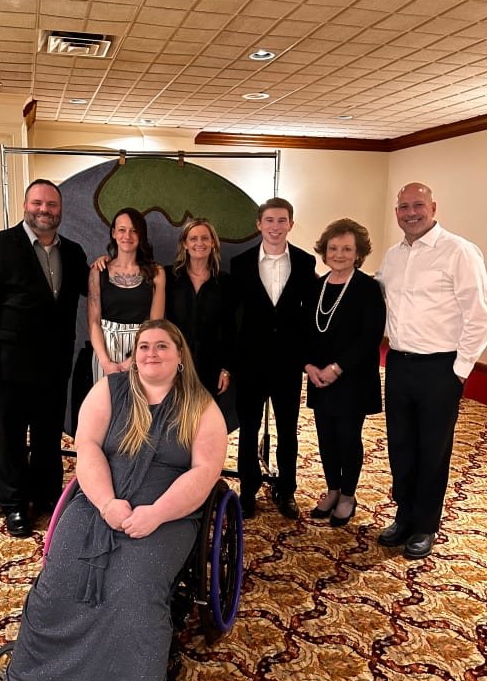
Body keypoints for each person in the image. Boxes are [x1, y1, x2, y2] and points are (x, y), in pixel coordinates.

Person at [0, 320, 227, 681]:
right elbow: (86, 447)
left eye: (162, 346)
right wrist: (107, 503)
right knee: (59, 580)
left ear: (180, 356)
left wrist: (156, 513)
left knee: (134, 593)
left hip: (167, 512)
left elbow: (205, 471)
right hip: (99, 500)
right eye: (144, 345)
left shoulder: (201, 405)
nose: (151, 353)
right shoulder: (110, 389)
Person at [0, 179, 89, 538]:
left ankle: (46, 496)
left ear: (60, 209)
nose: (44, 210)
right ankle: (15, 505)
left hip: (54, 364)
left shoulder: (73, 252)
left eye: (51, 204)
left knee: (48, 435)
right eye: (38, 203)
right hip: (6, 365)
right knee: (9, 438)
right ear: (25, 206)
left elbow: (91, 289)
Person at [376, 182, 487, 558]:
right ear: (396, 212)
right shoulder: (393, 256)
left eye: (418, 205)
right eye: (404, 207)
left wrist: (459, 370)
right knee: (400, 446)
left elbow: (479, 317)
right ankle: (404, 516)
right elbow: (375, 296)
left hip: (440, 369)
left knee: (433, 450)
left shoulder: (459, 251)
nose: (411, 213)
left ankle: (425, 525)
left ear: (433, 208)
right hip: (398, 364)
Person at [231, 197, 316, 521]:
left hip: (287, 364)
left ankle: (286, 489)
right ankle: (248, 490)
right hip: (250, 362)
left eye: (282, 220)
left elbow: (309, 317)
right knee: (248, 429)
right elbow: (233, 317)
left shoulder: (306, 263)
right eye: (269, 220)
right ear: (259, 224)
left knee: (288, 431)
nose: (275, 227)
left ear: (291, 224)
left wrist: (306, 357)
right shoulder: (240, 264)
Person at [303, 219, 386, 527]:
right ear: (324, 251)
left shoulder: (368, 288)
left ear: (358, 253)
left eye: (347, 249)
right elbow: (304, 331)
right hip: (319, 377)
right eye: (333, 248)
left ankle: (348, 496)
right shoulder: (316, 287)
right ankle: (333, 490)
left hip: (353, 378)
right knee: (326, 437)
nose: (339, 254)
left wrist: (337, 368)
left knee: (348, 438)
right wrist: (309, 366)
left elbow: (370, 336)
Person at [88, 208, 165, 381]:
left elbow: (155, 323)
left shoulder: (156, 272)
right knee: (106, 398)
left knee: (140, 399)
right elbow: (93, 322)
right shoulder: (98, 271)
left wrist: (134, 359)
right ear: (114, 233)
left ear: (141, 235)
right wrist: (105, 362)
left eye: (134, 230)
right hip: (105, 349)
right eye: (122, 230)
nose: (127, 236)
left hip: (143, 348)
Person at [165, 217, 235, 399]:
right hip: (174, 363)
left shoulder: (225, 282)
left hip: (211, 366)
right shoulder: (169, 277)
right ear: (185, 244)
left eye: (205, 238)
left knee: (205, 415)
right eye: (193, 238)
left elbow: (230, 328)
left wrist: (226, 368)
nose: (199, 243)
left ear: (213, 243)